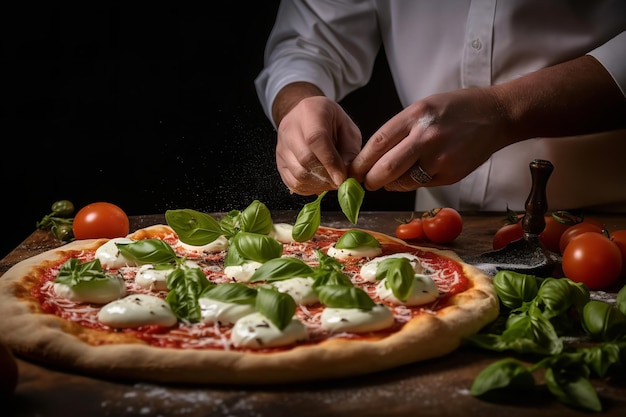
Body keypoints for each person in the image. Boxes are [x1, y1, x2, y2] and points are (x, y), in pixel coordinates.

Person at [255, 0, 626, 213]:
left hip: (605, 220)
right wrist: (298, 103)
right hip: (436, 223)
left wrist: (505, 111)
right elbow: (310, 36)